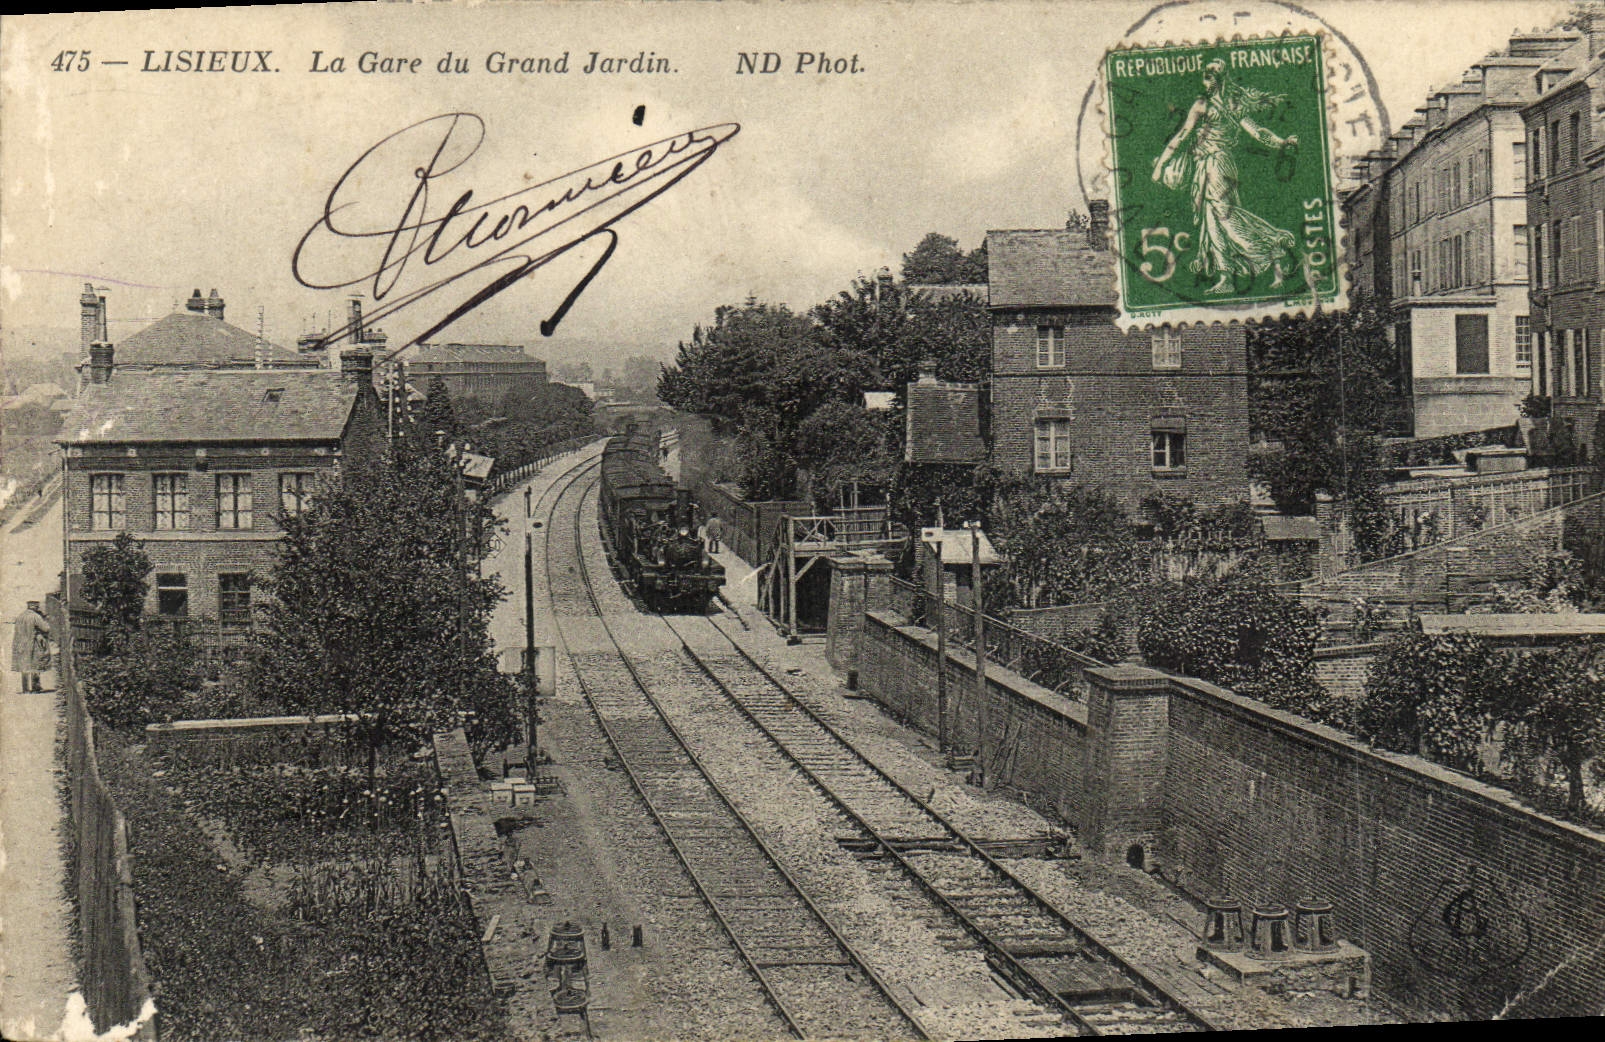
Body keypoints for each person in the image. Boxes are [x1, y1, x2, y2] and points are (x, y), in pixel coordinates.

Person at [1152, 58, 1299, 295]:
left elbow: (1257, 132)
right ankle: (1226, 278)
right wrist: (1162, 164)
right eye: (1204, 77)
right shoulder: (1207, 104)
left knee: (1225, 217)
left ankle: (1273, 246)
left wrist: (1282, 143)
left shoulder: (1226, 106)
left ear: (1219, 79)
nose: (1205, 82)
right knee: (1212, 223)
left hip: (1218, 164)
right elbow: (1182, 135)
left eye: (1209, 77)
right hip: (1206, 166)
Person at [11, 600, 53, 694]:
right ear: (35, 607)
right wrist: (46, 620)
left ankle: (25, 689)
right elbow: (46, 628)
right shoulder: (35, 616)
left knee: (24, 665)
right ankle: (35, 687)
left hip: (20, 644)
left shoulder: (20, 616)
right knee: (35, 664)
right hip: (32, 643)